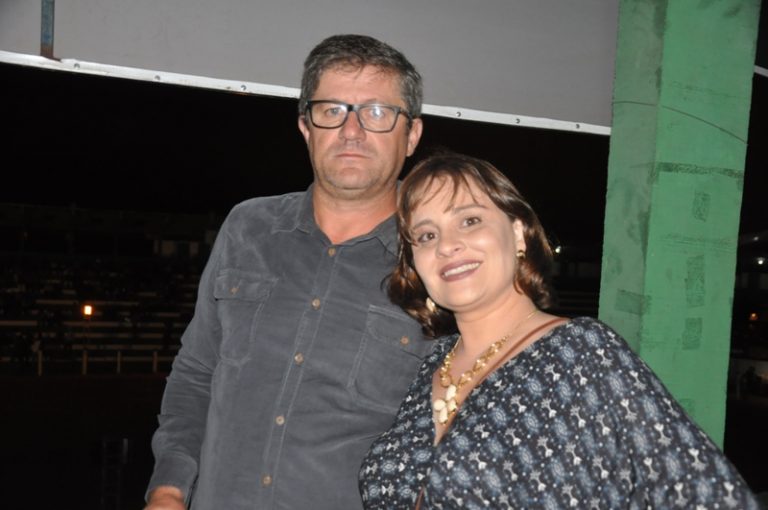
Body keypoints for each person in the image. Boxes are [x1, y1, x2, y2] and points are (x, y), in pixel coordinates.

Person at [359, 152, 760, 509]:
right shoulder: (431, 364)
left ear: (518, 234)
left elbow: (711, 494)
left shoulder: (582, 352)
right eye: (426, 235)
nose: (447, 245)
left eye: (470, 220)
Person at [145, 34, 433, 510]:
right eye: (332, 110)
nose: (352, 131)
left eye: (377, 112)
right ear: (305, 127)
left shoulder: (436, 259)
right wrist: (168, 491)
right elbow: (196, 374)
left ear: (412, 135)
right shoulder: (247, 227)